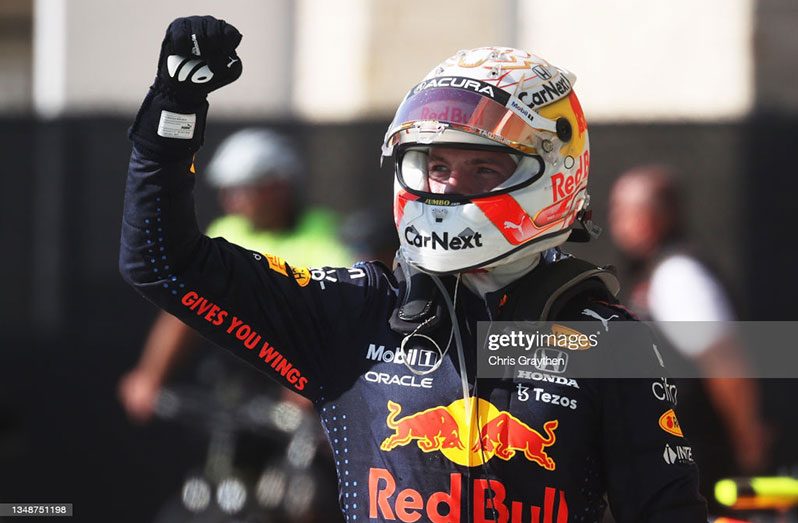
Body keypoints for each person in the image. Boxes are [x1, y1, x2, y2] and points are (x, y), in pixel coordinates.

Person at [120, 16, 708, 522]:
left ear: (555, 176)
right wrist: (174, 112)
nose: (449, 187)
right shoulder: (356, 309)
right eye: (435, 163)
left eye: (484, 168)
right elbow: (161, 263)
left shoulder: (606, 338)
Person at [118, 128, 352, 423]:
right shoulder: (226, 232)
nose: (231, 201)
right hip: (238, 382)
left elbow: (344, 317)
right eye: (227, 191)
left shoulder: (325, 235)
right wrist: (150, 375)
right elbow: (183, 311)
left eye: (244, 190)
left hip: (304, 383)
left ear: (279, 186)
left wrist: (314, 382)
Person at [608, 165, 769, 508]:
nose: (616, 222)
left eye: (625, 211)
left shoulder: (678, 273)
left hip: (702, 463)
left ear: (655, 217)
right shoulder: (653, 273)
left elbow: (724, 359)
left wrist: (746, 438)